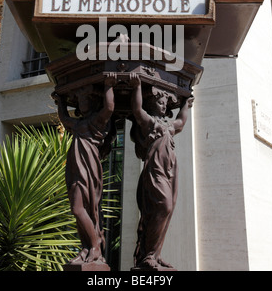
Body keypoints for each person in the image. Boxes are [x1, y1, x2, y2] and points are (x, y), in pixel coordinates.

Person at [130, 72, 194, 270]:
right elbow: (137, 109)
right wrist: (137, 86)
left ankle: (154, 256)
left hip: (170, 172)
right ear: (152, 104)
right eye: (160, 101)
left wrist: (187, 104)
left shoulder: (168, 125)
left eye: (166, 102)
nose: (164, 104)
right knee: (163, 206)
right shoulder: (151, 124)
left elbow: (181, 123)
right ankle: (148, 255)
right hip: (155, 170)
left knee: (167, 211)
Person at [52, 74, 116, 265]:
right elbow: (64, 118)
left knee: (78, 208)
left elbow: (109, 108)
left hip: (87, 169)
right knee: (80, 209)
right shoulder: (78, 124)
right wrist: (60, 101)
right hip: (74, 168)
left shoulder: (95, 122)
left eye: (84, 99)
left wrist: (108, 86)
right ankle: (86, 248)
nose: (81, 103)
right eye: (79, 100)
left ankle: (95, 246)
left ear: (92, 101)